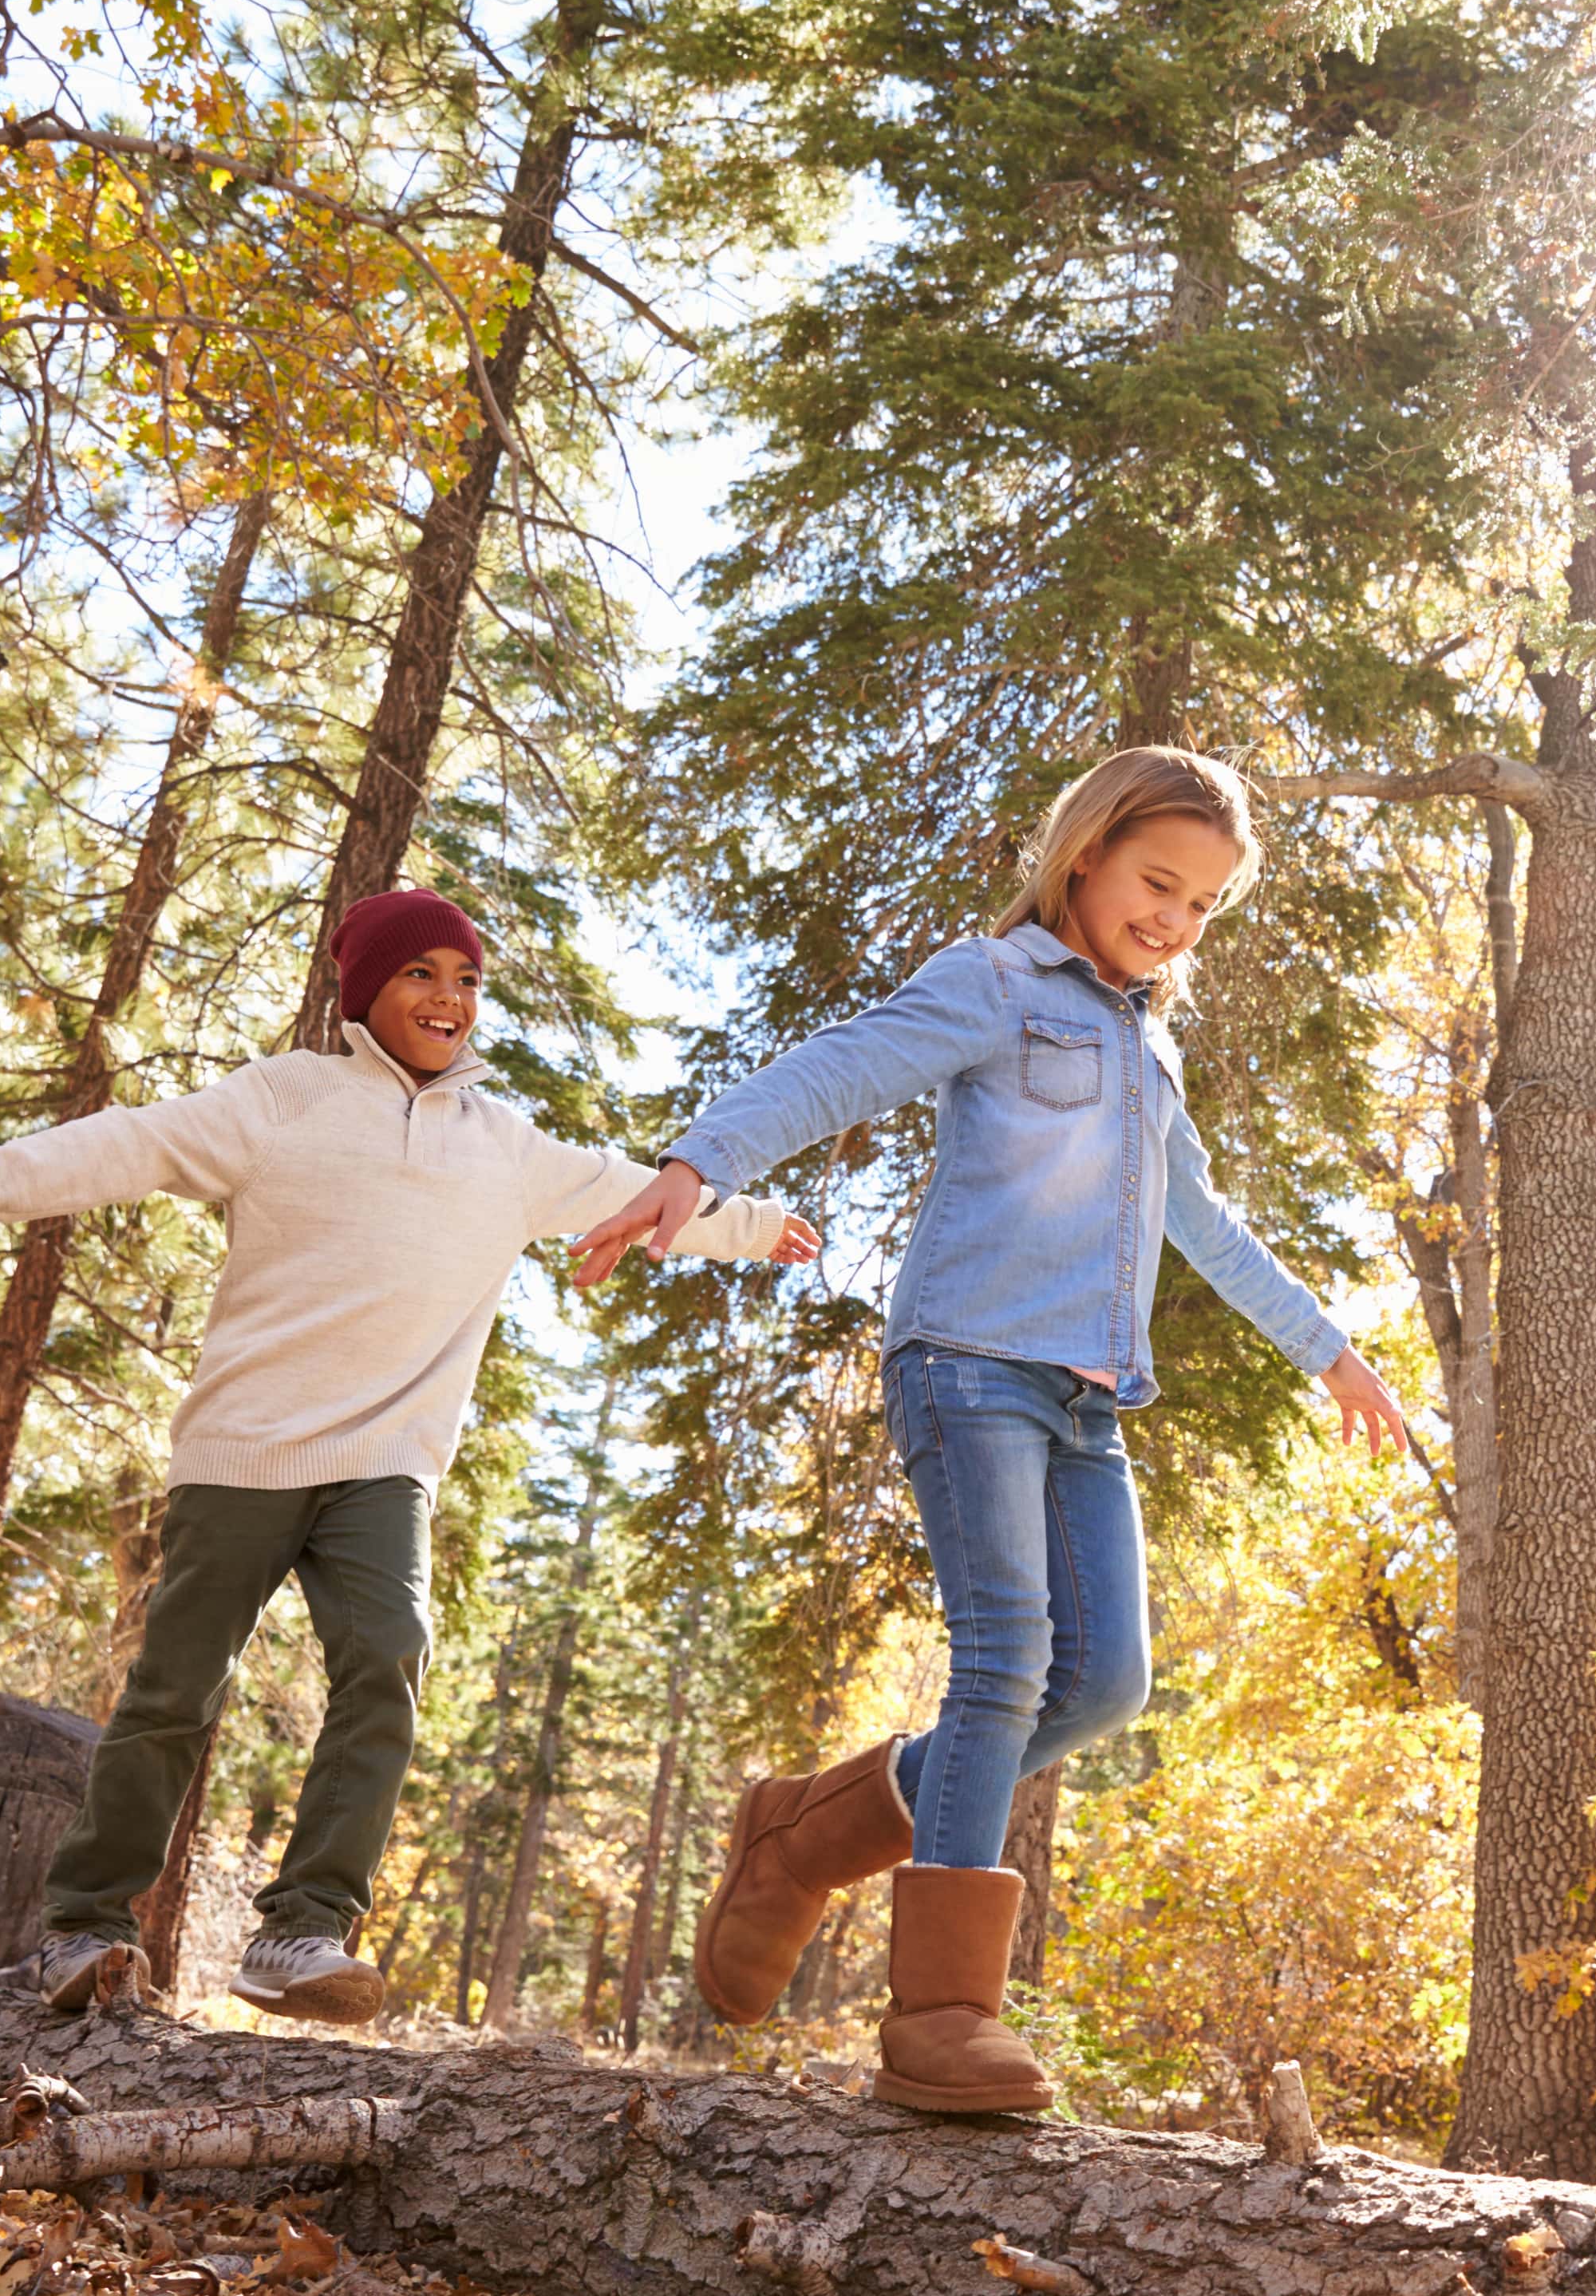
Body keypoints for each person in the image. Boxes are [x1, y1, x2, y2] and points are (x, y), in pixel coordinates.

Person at [571, 746, 1408, 2116]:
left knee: (1105, 1684)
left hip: (1088, 1399)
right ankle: (943, 2015)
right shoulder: (997, 982)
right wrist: (696, 1165)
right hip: (968, 1363)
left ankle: (802, 1834)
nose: (1174, 922)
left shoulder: (1151, 1047)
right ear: (1085, 852)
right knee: (1008, 1656)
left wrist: (1329, 1348)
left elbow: (1203, 1222)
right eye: (1158, 884)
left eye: (1203, 905)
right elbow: (840, 1069)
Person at [0, 887, 816, 2025]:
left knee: (388, 1655)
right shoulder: (285, 1099)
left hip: (386, 1460)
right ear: (367, 990)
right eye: (421, 975)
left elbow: (636, 1194)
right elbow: (127, 1145)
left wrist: (747, 1227)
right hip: (245, 1449)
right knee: (172, 1693)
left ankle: (302, 1930)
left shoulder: (504, 1146)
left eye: (466, 980)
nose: (449, 1000)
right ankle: (84, 1927)